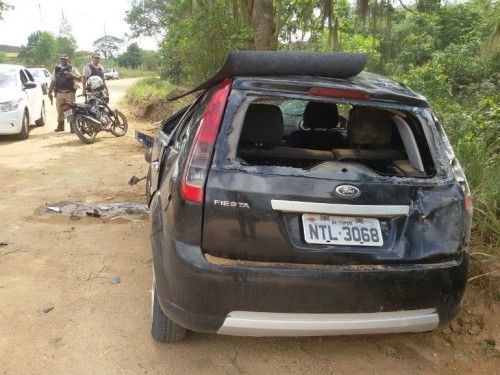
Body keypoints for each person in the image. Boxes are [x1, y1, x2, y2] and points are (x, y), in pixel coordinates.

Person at [47, 53, 82, 132]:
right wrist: (49, 91)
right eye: (62, 59)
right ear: (60, 60)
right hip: (59, 93)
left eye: (65, 59)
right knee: (59, 110)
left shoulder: (72, 68)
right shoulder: (56, 69)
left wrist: (72, 75)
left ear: (67, 60)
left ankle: (72, 127)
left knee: (69, 110)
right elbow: (53, 81)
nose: (63, 60)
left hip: (69, 92)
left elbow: (80, 78)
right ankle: (61, 126)